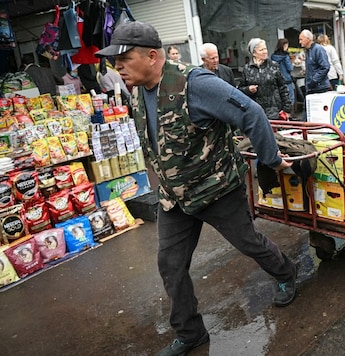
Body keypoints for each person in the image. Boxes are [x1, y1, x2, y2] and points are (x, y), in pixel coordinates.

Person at [95, 21, 297, 356]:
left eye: (124, 57)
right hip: (175, 197)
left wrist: (271, 159)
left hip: (217, 188)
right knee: (171, 265)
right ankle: (190, 333)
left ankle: (286, 273)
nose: (116, 66)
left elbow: (252, 113)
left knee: (249, 242)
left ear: (151, 55)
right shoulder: (138, 89)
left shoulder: (195, 83)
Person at [240, 38, 292, 121]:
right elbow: (240, 90)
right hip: (256, 112)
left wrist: (287, 109)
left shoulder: (273, 65)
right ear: (254, 52)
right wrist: (248, 89)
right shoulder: (247, 69)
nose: (265, 52)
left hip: (275, 112)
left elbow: (283, 87)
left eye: (265, 49)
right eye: (261, 50)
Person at [298, 29, 330, 95]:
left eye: (301, 39)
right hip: (312, 87)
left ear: (308, 39)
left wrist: (314, 80)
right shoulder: (308, 51)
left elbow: (325, 67)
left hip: (320, 88)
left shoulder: (318, 49)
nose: (300, 42)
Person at [271, 38, 295, 105]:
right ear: (284, 46)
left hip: (277, 80)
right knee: (290, 99)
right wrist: (292, 62)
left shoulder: (273, 56)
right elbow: (290, 68)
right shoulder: (285, 56)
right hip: (286, 80)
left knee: (280, 100)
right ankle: (289, 114)